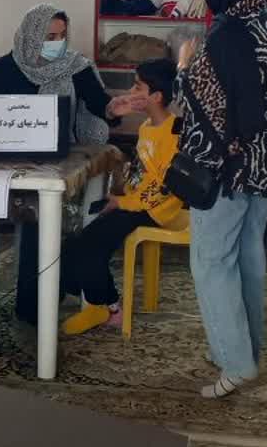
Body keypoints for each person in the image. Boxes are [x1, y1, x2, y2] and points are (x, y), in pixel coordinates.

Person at [177, 0, 267, 400]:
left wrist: (184, 68)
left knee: (211, 263)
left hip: (226, 170)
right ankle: (245, 350)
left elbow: (207, 104)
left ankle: (236, 362)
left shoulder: (226, 33)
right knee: (247, 257)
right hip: (262, 166)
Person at [59, 58, 184, 336]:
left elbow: (162, 188)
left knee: (91, 245)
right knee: (76, 238)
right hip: (135, 203)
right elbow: (140, 174)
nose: (130, 91)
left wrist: (122, 203)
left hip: (155, 209)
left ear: (156, 96)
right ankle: (88, 295)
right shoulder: (147, 127)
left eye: (137, 86)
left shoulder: (174, 133)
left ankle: (107, 308)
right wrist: (118, 195)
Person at [0, 4, 140, 142]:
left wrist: (111, 110)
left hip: (65, 154)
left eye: (63, 36)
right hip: (9, 153)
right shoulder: (1, 70)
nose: (59, 43)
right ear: (31, 37)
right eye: (51, 37)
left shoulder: (76, 66)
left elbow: (99, 105)